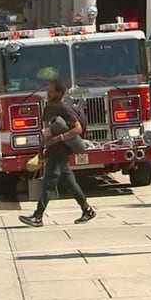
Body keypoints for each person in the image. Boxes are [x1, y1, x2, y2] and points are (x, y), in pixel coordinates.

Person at [19, 79, 96, 227]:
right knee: (69, 182)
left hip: (60, 151)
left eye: (51, 91)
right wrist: (41, 149)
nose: (48, 93)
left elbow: (77, 129)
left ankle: (38, 216)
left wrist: (59, 138)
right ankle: (87, 210)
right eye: (48, 89)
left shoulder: (64, 108)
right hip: (51, 150)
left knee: (48, 183)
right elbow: (46, 130)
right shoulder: (48, 108)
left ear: (59, 93)